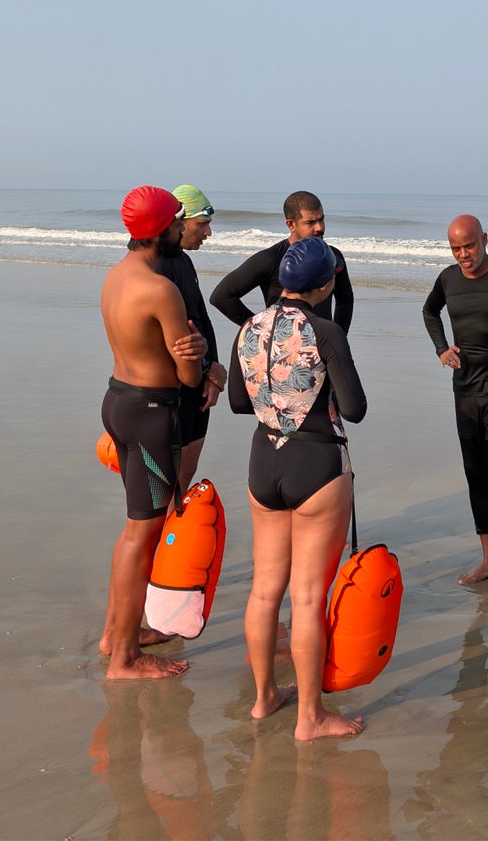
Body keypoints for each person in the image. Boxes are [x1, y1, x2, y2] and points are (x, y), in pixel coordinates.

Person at [229, 236, 368, 740]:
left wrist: (279, 396)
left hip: (263, 461)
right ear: (325, 282)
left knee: (265, 590)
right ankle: (310, 716)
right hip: (315, 463)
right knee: (307, 597)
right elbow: (354, 408)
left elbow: (239, 406)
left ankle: (265, 697)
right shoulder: (325, 329)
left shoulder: (249, 326)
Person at [96, 186, 208, 680]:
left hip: (119, 401)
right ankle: (123, 656)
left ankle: (118, 634)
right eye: (177, 222)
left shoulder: (116, 277)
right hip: (151, 412)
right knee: (140, 533)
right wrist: (200, 353)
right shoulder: (161, 289)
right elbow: (186, 375)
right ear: (165, 228)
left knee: (136, 529)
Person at [422, 214, 488, 602]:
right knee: (474, 474)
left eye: (468, 245)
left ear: (484, 238)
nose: (463, 254)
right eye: (455, 248)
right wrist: (441, 349)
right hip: (464, 388)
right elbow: (430, 311)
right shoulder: (447, 279)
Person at [155, 184, 228, 487]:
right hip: (173, 385)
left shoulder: (183, 261)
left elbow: (200, 318)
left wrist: (212, 372)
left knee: (185, 474)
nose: (208, 233)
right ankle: (165, 534)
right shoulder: (158, 267)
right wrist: (209, 368)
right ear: (179, 222)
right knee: (169, 481)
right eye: (203, 224)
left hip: (197, 379)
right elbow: (172, 338)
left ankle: (178, 532)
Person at [211, 191, 354, 333]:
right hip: (283, 350)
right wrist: (261, 329)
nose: (320, 228)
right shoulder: (270, 259)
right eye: (310, 222)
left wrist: (339, 335)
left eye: (321, 219)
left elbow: (345, 300)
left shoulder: (332, 256)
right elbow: (221, 297)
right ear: (291, 225)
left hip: (322, 349)